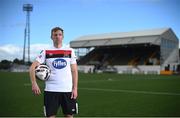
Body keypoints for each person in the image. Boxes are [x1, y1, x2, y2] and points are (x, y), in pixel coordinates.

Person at [29, 27, 78, 118]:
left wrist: (75, 88)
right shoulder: (46, 51)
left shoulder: (70, 51)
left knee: (69, 116)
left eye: (59, 35)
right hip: (51, 90)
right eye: (55, 35)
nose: (57, 37)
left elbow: (74, 70)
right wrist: (34, 83)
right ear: (51, 37)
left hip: (67, 91)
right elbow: (32, 67)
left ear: (63, 37)